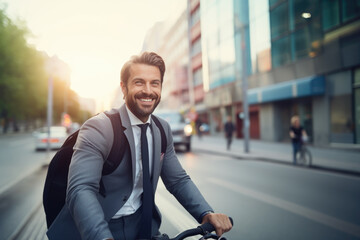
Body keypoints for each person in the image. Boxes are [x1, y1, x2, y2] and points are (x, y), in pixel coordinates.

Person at [47, 52, 232, 240]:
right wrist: (101, 237)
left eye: (155, 83)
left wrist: (206, 213)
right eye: (139, 82)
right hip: (98, 226)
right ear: (124, 88)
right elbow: (81, 188)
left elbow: (178, 180)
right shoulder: (99, 127)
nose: (148, 91)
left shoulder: (162, 129)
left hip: (143, 227)